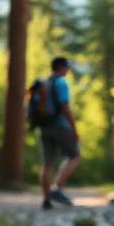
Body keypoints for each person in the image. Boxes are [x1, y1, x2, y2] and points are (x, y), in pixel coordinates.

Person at [38, 56, 80, 210]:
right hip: (60, 125)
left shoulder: (44, 82)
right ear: (61, 67)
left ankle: (46, 200)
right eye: (67, 67)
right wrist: (74, 129)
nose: (68, 70)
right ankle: (56, 188)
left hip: (44, 126)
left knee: (47, 164)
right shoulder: (61, 82)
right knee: (74, 156)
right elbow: (65, 107)